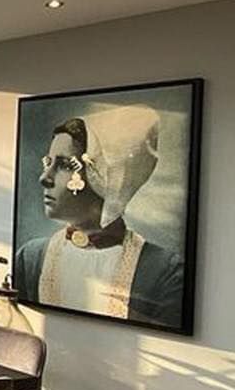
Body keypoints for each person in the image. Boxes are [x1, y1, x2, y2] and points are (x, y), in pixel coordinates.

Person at [15, 105, 183, 327]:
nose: (44, 178)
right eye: (48, 163)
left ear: (104, 177)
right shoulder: (31, 258)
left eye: (65, 165)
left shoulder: (165, 271)